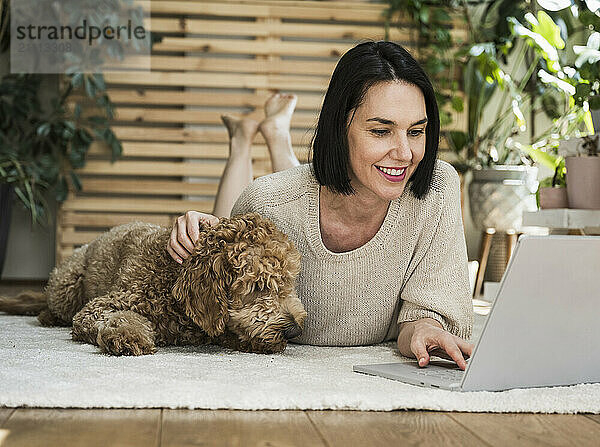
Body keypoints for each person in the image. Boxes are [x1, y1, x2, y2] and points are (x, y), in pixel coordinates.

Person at [167, 41, 474, 370]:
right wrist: (206, 236)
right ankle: (243, 141)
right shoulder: (269, 200)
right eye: (381, 131)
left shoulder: (436, 189)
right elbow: (227, 298)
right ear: (340, 127)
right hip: (286, 193)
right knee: (269, 196)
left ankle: (274, 134)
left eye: (416, 131)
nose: (404, 153)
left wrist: (425, 329)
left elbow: (423, 314)